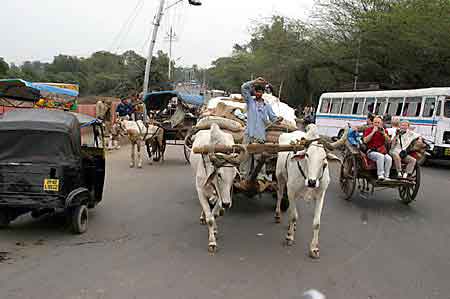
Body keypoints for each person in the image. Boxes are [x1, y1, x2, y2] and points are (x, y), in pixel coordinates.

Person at [240, 77, 282, 181]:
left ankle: (260, 178)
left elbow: (273, 118)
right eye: (256, 92)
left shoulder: (266, 106)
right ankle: (243, 177)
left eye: (260, 92)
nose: (258, 94)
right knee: (245, 157)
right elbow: (244, 87)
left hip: (260, 136)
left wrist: (278, 119)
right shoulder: (250, 102)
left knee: (259, 158)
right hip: (248, 134)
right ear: (254, 92)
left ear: (263, 93)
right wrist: (254, 81)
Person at [363, 116, 392, 181]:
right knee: (380, 156)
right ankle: (380, 175)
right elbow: (365, 141)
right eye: (375, 122)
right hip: (371, 151)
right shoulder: (368, 130)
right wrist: (373, 132)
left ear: (381, 123)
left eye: (378, 122)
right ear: (373, 123)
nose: (376, 124)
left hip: (381, 151)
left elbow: (389, 142)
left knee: (389, 159)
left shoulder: (384, 131)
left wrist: (384, 134)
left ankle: (386, 176)